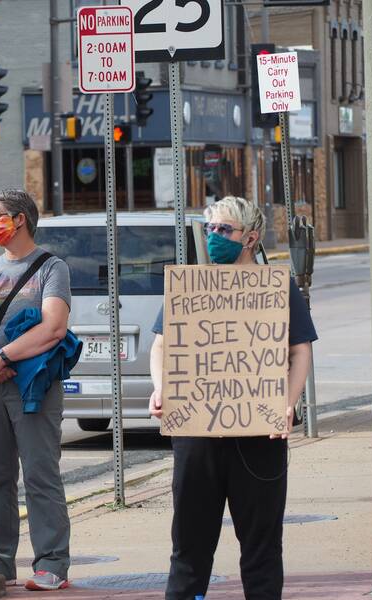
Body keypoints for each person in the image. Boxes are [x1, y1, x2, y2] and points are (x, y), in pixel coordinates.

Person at [148, 196, 317, 600]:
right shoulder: (192, 284)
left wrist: (286, 402)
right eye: (209, 229)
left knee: (261, 549)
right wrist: (161, 387)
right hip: (197, 436)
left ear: (251, 237)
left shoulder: (276, 287)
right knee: (189, 545)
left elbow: (300, 351)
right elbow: (160, 346)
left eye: (224, 230)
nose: (213, 236)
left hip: (259, 439)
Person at [0, 189, 72, 591]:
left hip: (32, 386)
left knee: (41, 474)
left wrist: (2, 357)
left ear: (21, 219)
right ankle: (0, 560)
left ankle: (52, 563)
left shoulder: (50, 268)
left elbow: (53, 327)